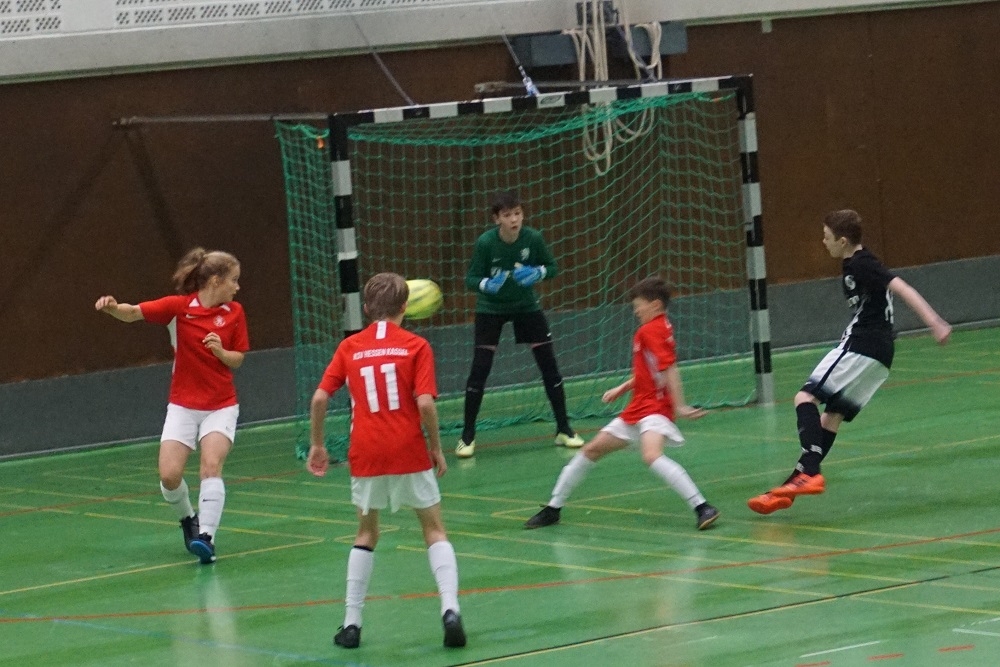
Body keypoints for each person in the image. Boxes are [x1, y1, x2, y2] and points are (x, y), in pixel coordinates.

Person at [748, 210, 952, 514]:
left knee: (805, 397)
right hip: (881, 354)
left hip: (862, 344)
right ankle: (791, 486)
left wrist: (934, 322)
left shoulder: (861, 263)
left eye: (827, 237)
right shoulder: (857, 263)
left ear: (842, 241)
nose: (823, 242)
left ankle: (809, 472)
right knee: (831, 418)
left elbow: (902, 288)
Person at [307, 272, 466, 651]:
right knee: (434, 530)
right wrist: (436, 447)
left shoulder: (350, 346)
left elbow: (319, 398)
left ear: (366, 308)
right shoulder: (416, 345)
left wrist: (317, 445)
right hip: (407, 448)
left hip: (366, 451)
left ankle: (351, 624)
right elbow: (425, 403)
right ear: (405, 307)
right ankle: (450, 609)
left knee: (366, 533)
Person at [525, 276, 720, 531]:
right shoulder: (660, 327)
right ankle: (553, 508)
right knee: (591, 450)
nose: (636, 311)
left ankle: (702, 507)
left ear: (655, 305)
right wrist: (623, 388)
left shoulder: (650, 331)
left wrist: (680, 405)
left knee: (651, 455)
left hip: (655, 408)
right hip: (638, 408)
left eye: (639, 305)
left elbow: (669, 368)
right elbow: (650, 371)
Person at [95, 247, 249, 564]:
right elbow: (132, 312)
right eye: (233, 280)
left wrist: (220, 352)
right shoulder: (178, 309)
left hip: (220, 405)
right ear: (216, 280)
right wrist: (112, 309)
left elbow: (238, 358)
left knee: (211, 466)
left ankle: (206, 537)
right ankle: (188, 519)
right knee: (169, 476)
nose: (237, 287)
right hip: (182, 406)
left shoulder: (234, 312)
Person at [456, 190, 583, 458]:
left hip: (526, 306)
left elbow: (552, 267)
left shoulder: (532, 238)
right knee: (480, 369)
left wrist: (538, 272)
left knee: (549, 366)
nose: (514, 219)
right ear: (496, 219)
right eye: (507, 215)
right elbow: (471, 279)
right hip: (491, 309)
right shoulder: (486, 243)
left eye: (517, 213)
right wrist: (486, 285)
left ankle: (564, 429)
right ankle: (467, 436)